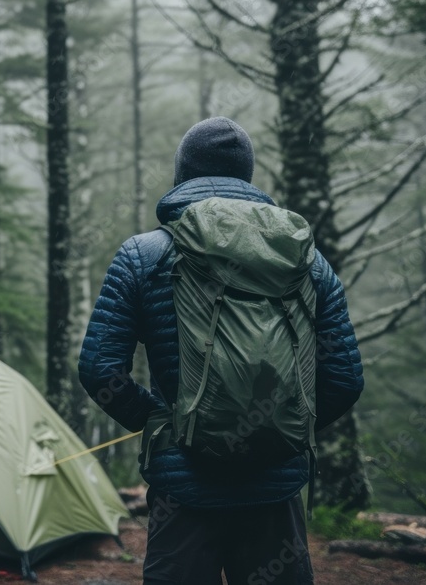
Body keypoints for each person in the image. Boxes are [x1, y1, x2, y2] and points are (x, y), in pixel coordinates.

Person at [78, 117, 364, 585]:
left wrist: (163, 426)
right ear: (247, 176)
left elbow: (99, 369)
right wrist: (282, 428)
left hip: (184, 492)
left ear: (182, 174)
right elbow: (345, 380)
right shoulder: (306, 260)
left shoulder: (144, 255)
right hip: (275, 487)